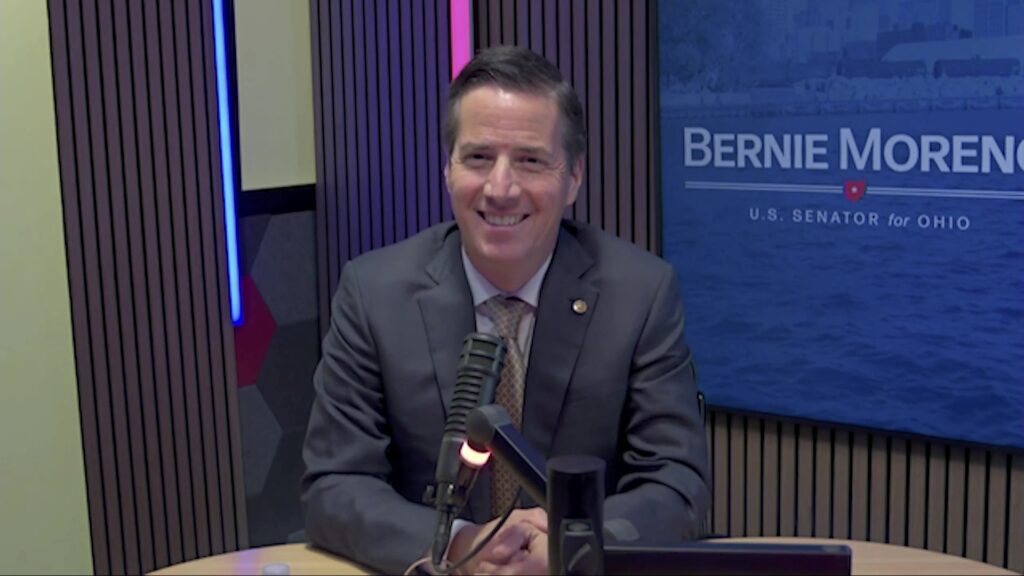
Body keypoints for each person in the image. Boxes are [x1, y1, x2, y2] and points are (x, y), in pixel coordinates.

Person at [301, 45, 710, 575]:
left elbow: (676, 484)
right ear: (448, 169)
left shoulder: (640, 294)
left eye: (530, 160)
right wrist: (460, 545)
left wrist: (573, 545)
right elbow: (334, 485)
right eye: (478, 158)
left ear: (574, 177)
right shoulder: (373, 293)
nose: (500, 188)